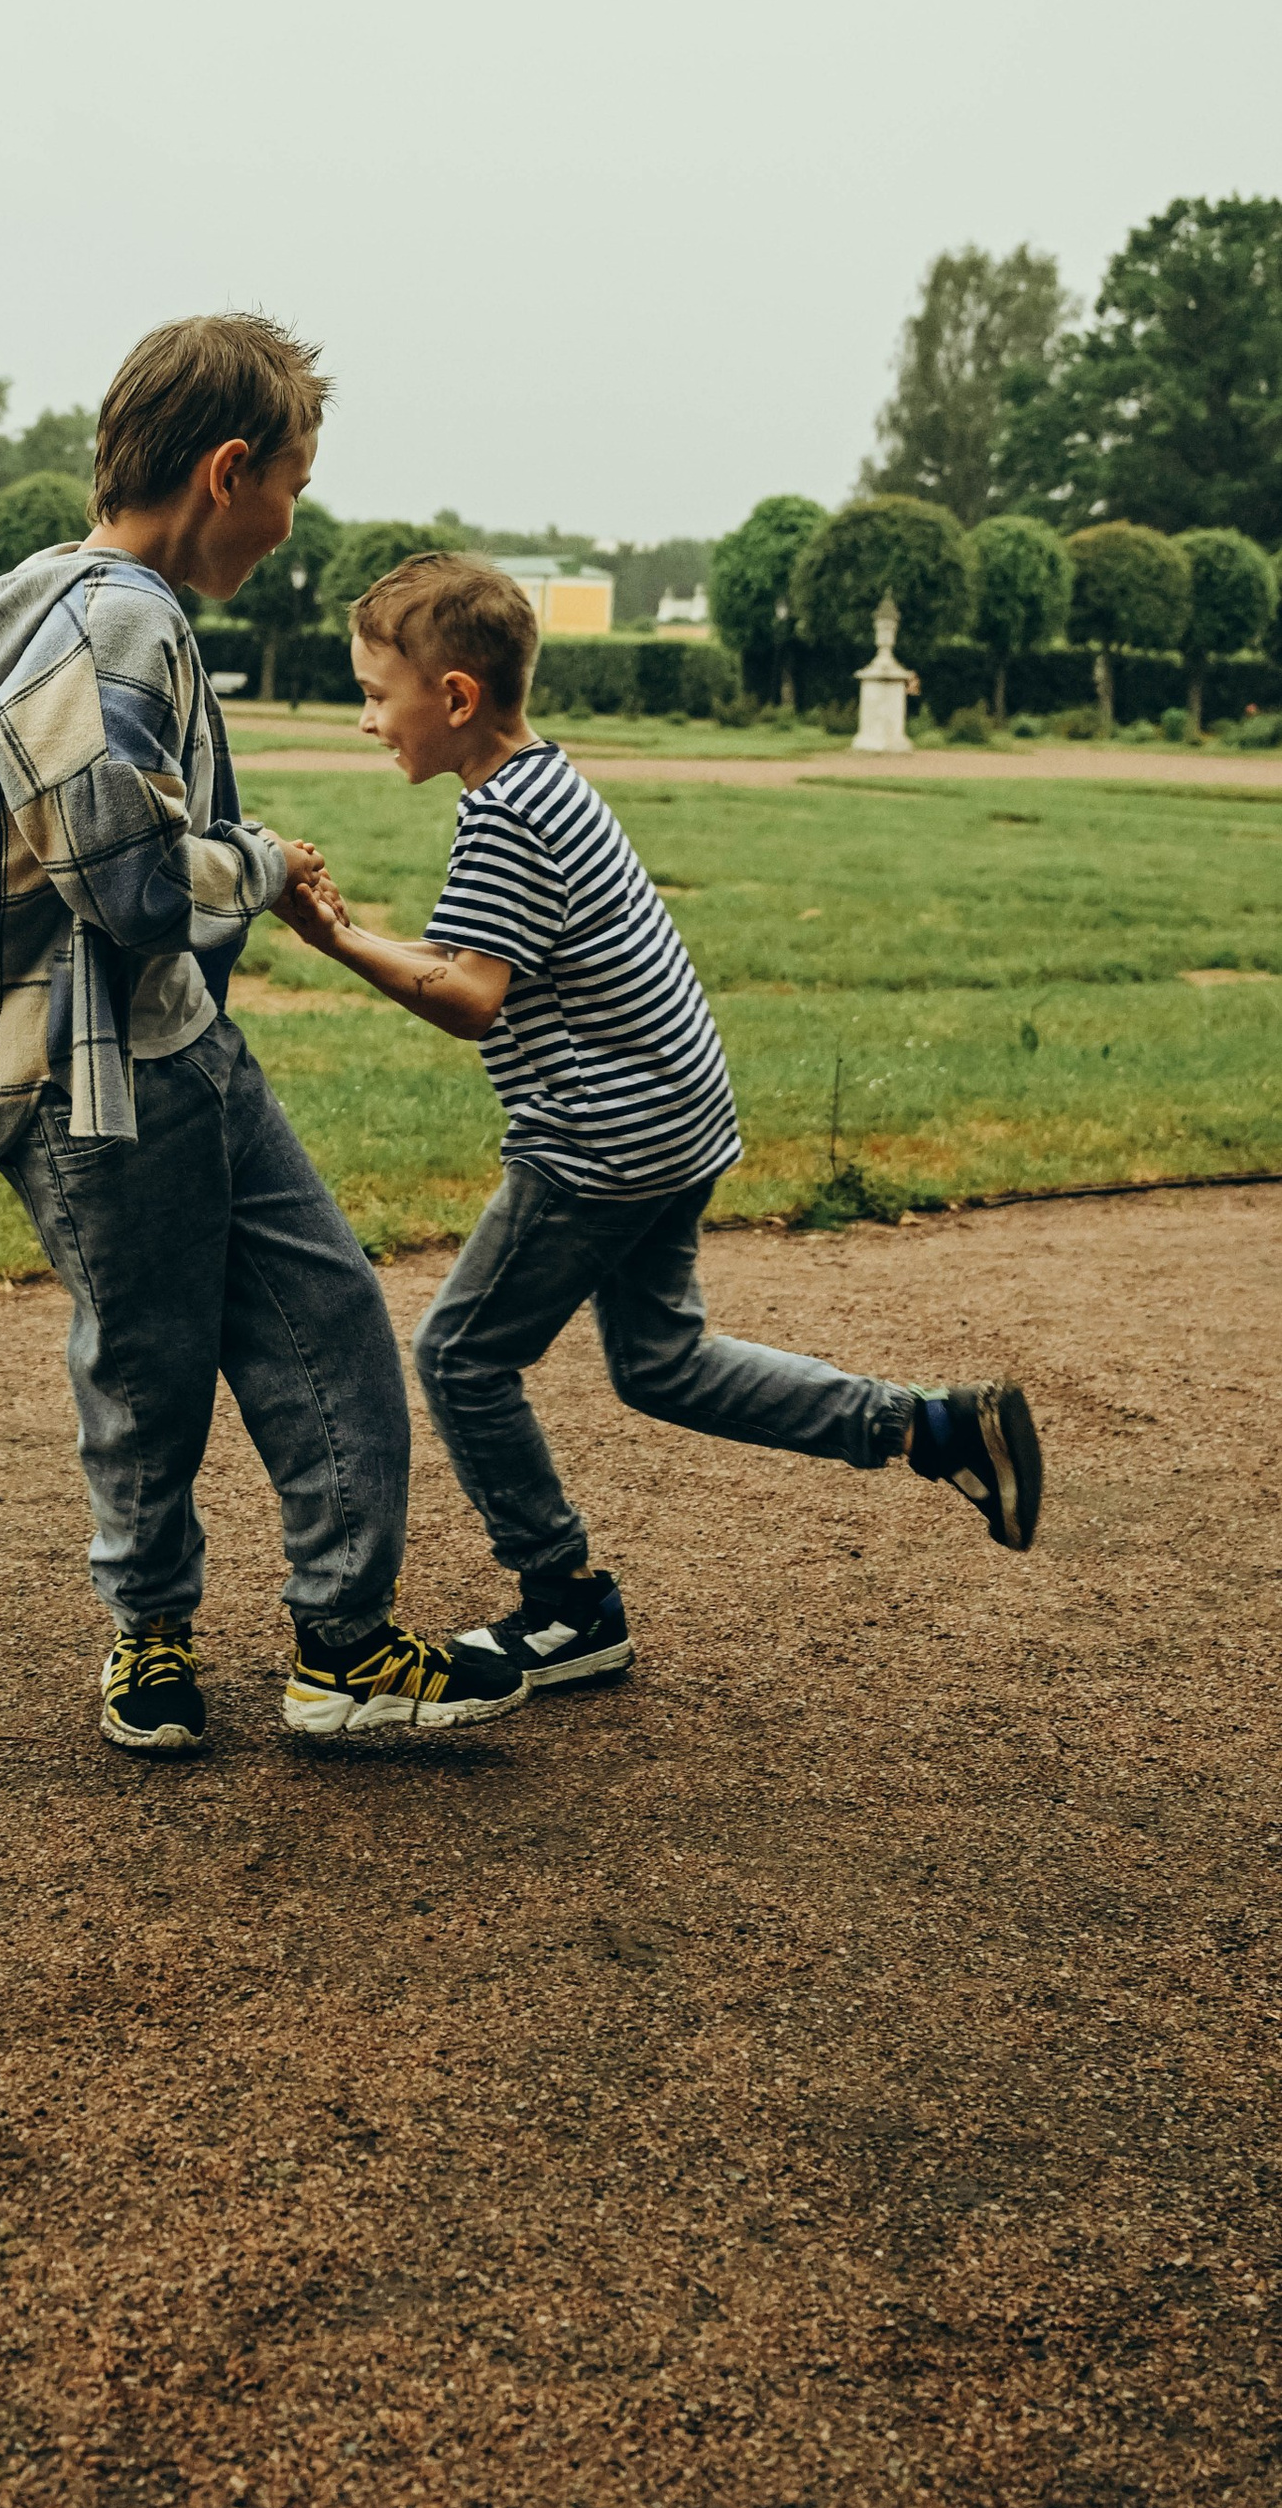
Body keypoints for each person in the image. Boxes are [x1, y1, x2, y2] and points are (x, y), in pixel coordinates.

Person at [0, 321, 529, 1755]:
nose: (292, 522)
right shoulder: (121, 621)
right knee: (152, 1361)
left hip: (170, 1044)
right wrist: (265, 862)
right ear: (229, 471)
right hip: (92, 1070)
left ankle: (342, 1644)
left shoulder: (95, 601)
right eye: (292, 481)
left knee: (324, 1314)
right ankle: (153, 1642)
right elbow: (125, 885)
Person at [275, 551, 1043, 1696]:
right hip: (674, 1120)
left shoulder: (499, 821)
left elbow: (470, 1000)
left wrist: (333, 942)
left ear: (453, 698)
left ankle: (564, 1601)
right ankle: (933, 1431)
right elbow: (467, 962)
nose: (364, 719)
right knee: (659, 1362)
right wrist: (354, 936)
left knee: (460, 1357)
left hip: (598, 1142)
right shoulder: (546, 784)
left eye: (376, 695)